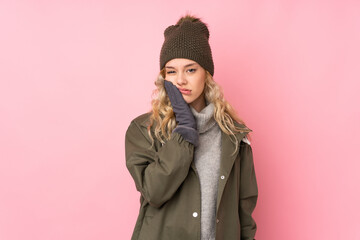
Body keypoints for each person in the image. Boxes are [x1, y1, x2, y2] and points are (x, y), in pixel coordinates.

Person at [125, 14, 258, 240]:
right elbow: (154, 192)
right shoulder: (144, 130)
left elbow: (244, 212)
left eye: (190, 69)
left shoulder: (234, 135)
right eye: (171, 71)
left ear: (206, 74)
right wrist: (184, 132)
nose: (180, 80)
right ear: (163, 77)